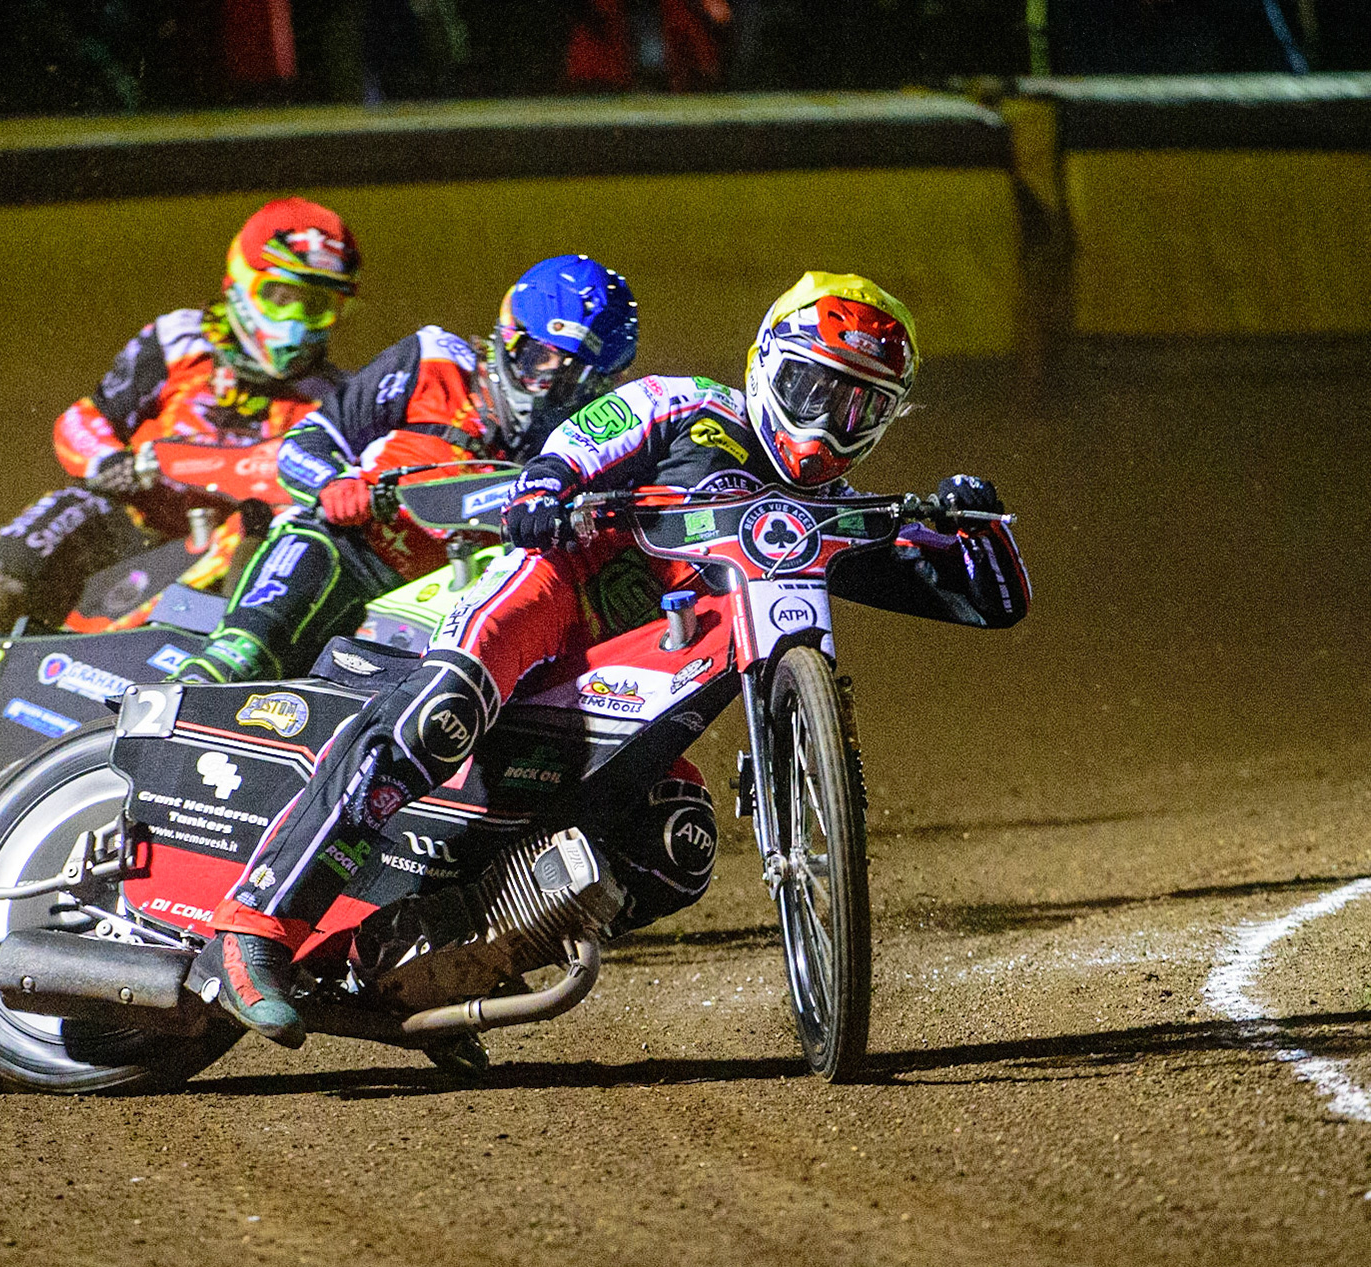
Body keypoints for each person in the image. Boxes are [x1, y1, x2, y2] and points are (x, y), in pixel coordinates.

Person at [193, 270, 1031, 1047]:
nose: (826, 422)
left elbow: (993, 600)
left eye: (858, 407)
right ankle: (257, 925)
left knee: (679, 844)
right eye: (815, 389)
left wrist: (979, 523)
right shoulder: (684, 404)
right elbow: (570, 448)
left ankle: (416, 970)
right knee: (442, 708)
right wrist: (543, 493)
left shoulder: (829, 513)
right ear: (767, 365)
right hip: (555, 592)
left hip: (627, 673)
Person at [0, 197, 361, 717]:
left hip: (224, 557)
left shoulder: (337, 400)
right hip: (122, 524)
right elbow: (85, 419)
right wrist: (107, 461)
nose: (296, 324)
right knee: (3, 576)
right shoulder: (181, 340)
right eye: (280, 296)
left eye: (316, 306)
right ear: (241, 283)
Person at [173, 253, 639, 685]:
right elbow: (304, 444)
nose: (547, 391)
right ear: (509, 334)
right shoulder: (434, 360)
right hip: (350, 550)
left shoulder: (582, 446)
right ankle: (196, 687)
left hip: (452, 606)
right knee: (241, 660)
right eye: (542, 361)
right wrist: (335, 484)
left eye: (577, 382)